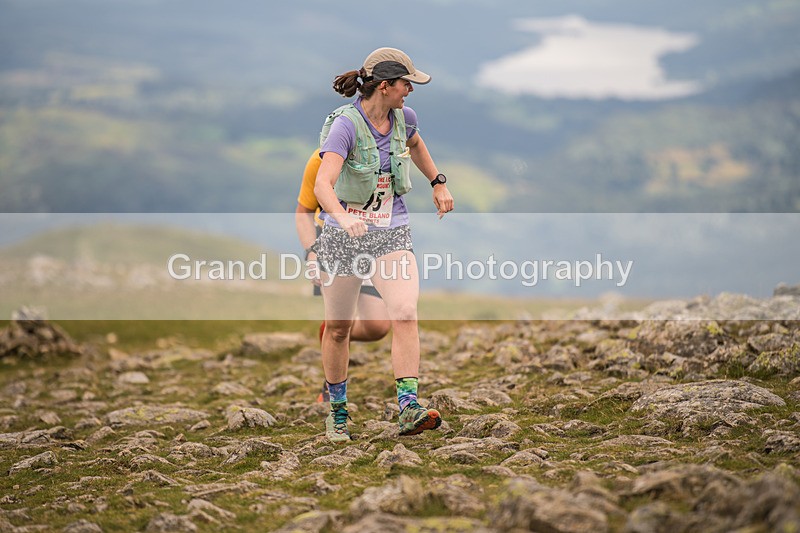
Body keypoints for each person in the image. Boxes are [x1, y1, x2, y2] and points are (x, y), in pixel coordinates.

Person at [313, 47, 454, 442]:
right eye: (406, 83)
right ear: (385, 86)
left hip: (391, 230)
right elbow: (322, 184)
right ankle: (338, 412)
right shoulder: (345, 126)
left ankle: (408, 407)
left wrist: (437, 182)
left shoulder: (404, 118)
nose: (411, 90)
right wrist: (343, 218)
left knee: (405, 312)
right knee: (338, 329)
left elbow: (416, 145)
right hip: (344, 237)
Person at [295, 148, 391, 402]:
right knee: (340, 327)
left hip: (373, 241)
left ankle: (330, 330)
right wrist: (312, 252)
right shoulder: (320, 158)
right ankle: (331, 390)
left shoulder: (384, 152)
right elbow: (303, 211)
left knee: (377, 327)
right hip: (333, 243)